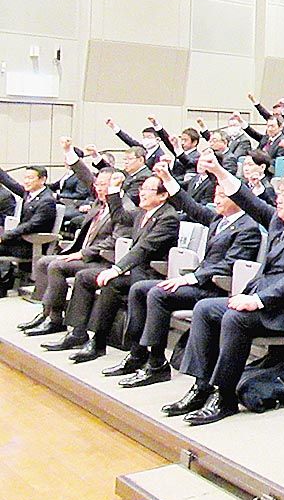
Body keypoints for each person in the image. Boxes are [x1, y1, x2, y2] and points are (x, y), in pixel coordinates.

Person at [163, 151, 284, 425]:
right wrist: (219, 172)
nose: (277, 202)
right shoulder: (282, 222)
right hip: (265, 303)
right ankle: (201, 387)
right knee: (205, 309)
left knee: (235, 318)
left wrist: (258, 299)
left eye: (283, 197)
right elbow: (248, 201)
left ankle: (225, 397)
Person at [109, 161, 263, 388]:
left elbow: (229, 265)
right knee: (140, 288)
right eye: (215, 194)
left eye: (222, 195)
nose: (216, 199)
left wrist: (191, 278)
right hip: (200, 282)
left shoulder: (248, 227)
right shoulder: (219, 220)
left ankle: (157, 363)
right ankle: (137, 353)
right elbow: (190, 206)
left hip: (215, 288)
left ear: (238, 198)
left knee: (158, 294)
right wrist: (167, 178)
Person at [44, 171, 179, 364]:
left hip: (149, 273)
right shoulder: (143, 212)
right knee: (84, 277)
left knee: (111, 282)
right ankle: (78, 332)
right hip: (133, 269)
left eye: (148, 189)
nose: (142, 193)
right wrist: (114, 189)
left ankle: (99, 342)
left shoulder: (168, 218)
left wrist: (116, 269)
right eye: (142, 188)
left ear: (163, 195)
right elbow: (119, 216)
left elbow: (143, 248)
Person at [19, 139, 131, 336]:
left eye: (103, 185)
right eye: (97, 184)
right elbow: (84, 175)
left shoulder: (125, 209)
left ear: (116, 185)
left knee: (57, 266)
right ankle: (46, 313)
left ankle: (56, 319)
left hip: (102, 259)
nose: (98, 188)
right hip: (85, 254)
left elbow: (114, 241)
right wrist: (68, 151)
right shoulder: (100, 201)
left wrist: (82, 253)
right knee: (44, 262)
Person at [0, 164, 57, 295]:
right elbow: (11, 183)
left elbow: (32, 225)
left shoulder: (47, 201)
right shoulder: (30, 194)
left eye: (30, 178)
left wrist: (4, 237)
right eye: (25, 177)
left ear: (42, 179)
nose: (26, 181)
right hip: (19, 241)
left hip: (31, 245)